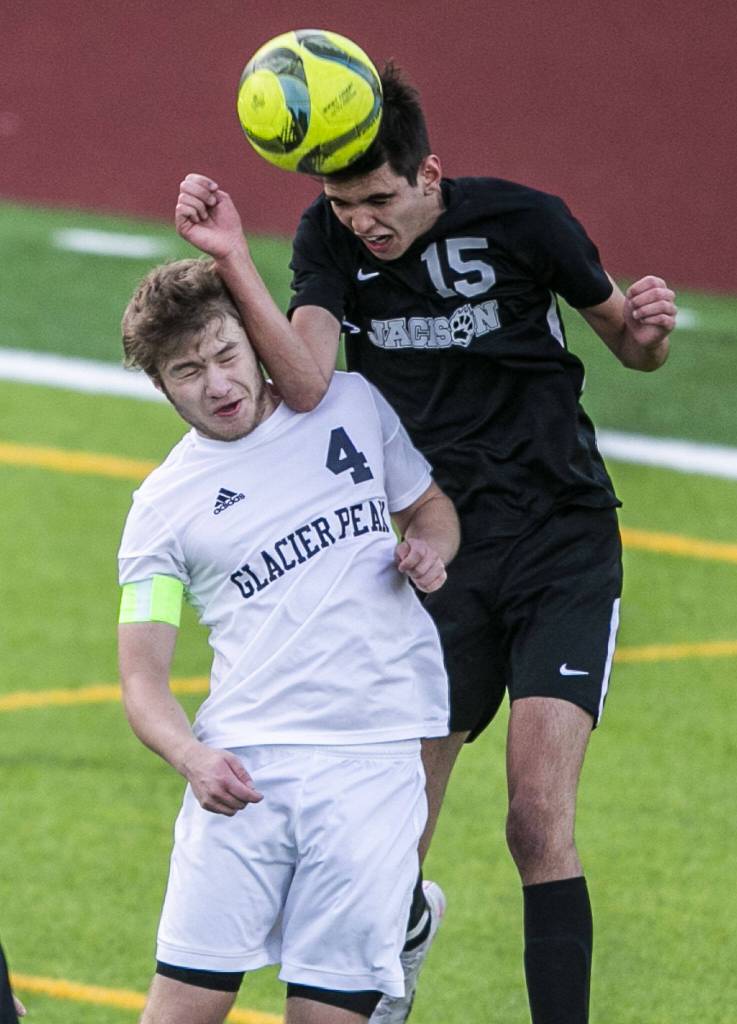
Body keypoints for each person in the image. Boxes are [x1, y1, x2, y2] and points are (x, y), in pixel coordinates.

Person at [176, 58, 677, 1024]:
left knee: (536, 821)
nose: (363, 219)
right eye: (341, 199)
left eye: (377, 199)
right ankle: (394, 938)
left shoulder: (527, 221)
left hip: (561, 542)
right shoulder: (328, 242)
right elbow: (312, 381)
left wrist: (649, 326)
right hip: (434, 555)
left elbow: (628, 341)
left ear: (429, 176)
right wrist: (235, 256)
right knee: (391, 829)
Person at [117, 252, 460, 1024]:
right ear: (162, 386)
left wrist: (431, 548)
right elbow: (142, 680)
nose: (217, 384)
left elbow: (428, 505)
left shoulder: (350, 407)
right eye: (186, 371)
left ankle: (398, 924)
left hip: (372, 760)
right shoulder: (162, 509)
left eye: (226, 355)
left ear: (253, 337)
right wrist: (192, 757)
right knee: (179, 1013)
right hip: (244, 770)